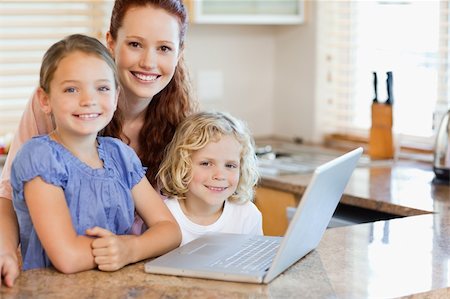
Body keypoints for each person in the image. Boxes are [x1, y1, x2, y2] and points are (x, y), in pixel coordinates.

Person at [0, 0, 195, 286]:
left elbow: (170, 228)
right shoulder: (44, 144)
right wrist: (4, 250)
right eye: (135, 44)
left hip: (127, 277)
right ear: (111, 41)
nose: (149, 62)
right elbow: (9, 197)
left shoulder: (124, 152)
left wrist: (130, 248)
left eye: (164, 47)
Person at [158, 111, 263, 246]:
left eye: (230, 165)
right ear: (182, 165)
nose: (219, 176)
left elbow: (254, 263)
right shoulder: (164, 216)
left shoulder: (247, 215)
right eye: (206, 164)